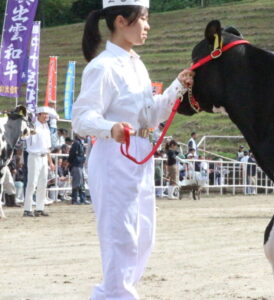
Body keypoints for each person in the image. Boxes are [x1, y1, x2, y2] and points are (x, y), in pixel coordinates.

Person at [72, 1, 194, 298]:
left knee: (143, 237)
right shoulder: (103, 66)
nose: (148, 26)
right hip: (114, 153)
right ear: (120, 22)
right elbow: (81, 118)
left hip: (139, 153)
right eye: (143, 19)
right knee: (121, 237)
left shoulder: (136, 64)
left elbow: (152, 116)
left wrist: (178, 86)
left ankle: (114, 294)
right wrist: (109, 128)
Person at [23, 106, 55, 217]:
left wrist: (50, 162)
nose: (46, 116)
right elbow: (23, 137)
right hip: (34, 156)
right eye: (44, 114)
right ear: (39, 115)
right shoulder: (32, 126)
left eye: (47, 114)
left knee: (42, 184)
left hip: (44, 157)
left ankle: (39, 208)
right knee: (32, 183)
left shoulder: (46, 127)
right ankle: (27, 209)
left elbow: (47, 147)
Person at [68, 134, 88, 204]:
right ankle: (74, 199)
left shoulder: (79, 142)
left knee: (81, 182)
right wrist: (72, 163)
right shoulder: (76, 143)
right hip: (76, 164)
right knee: (77, 182)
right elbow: (72, 154)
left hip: (79, 164)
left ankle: (82, 199)